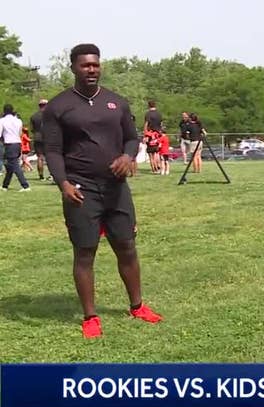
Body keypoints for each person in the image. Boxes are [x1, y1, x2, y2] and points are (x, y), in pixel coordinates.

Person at [42, 43, 162, 338]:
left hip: (116, 189)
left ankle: (137, 306)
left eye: (95, 64)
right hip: (81, 190)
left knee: (127, 247)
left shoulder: (116, 103)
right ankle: (90, 317)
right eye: (85, 65)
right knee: (85, 252)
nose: (91, 69)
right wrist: (63, 183)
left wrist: (127, 156)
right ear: (73, 67)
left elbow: (132, 140)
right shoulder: (58, 107)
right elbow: (53, 151)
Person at [0, 104, 31, 191]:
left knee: (14, 165)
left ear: (4, 111)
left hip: (9, 144)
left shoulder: (2, 121)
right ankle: (5, 185)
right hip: (17, 143)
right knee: (10, 166)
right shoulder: (18, 121)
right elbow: (20, 133)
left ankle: (25, 185)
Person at [30, 99, 49, 180]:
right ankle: (52, 175)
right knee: (50, 157)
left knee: (40, 157)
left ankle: (41, 176)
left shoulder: (34, 116)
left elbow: (32, 129)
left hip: (37, 137)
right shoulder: (50, 115)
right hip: (48, 137)